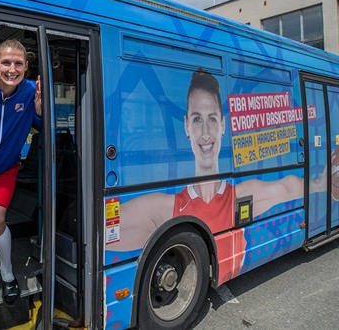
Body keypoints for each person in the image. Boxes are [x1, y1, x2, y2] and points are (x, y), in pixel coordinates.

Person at [111, 68, 327, 281]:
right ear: (186, 125)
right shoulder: (162, 207)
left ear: (223, 124)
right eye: (197, 119)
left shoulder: (244, 191)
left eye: (212, 119)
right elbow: (104, 228)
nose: (205, 133)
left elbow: (289, 186)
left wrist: (320, 184)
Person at [0, 39, 42, 307]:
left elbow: (40, 124)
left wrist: (39, 107)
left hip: (5, 169)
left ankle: (8, 273)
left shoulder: (28, 91)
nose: (12, 69)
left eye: (18, 64)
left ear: (26, 67)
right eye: (6, 62)